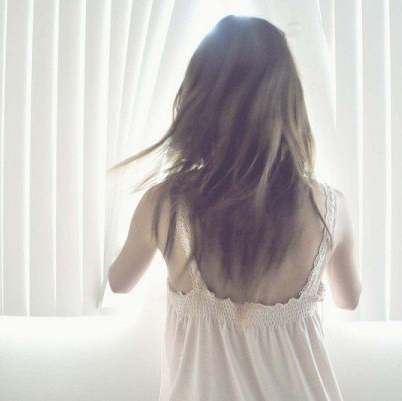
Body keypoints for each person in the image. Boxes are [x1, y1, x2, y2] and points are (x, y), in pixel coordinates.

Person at [107, 14, 362, 401]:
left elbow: (119, 282)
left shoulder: (165, 205)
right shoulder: (328, 207)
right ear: (288, 103)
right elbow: (349, 299)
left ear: (198, 103)